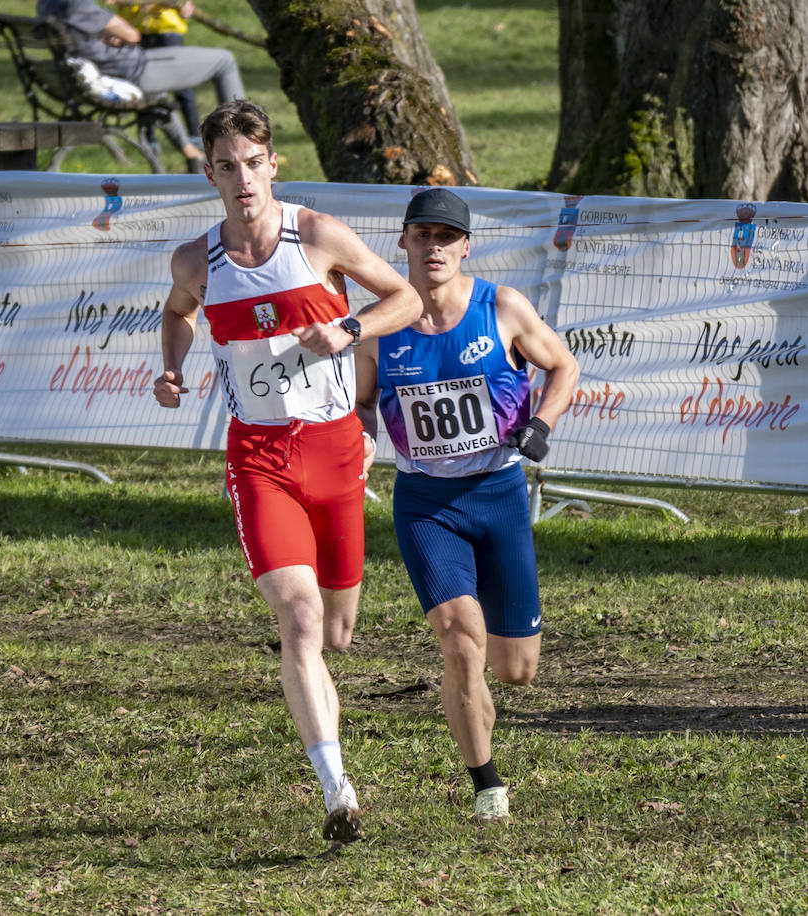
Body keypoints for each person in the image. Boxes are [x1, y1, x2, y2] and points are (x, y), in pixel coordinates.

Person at [154, 100, 421, 844]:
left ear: (273, 164)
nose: (242, 179)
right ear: (209, 174)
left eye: (253, 163)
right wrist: (171, 369)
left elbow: (404, 297)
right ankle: (338, 792)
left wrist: (347, 328)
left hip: (335, 452)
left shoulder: (317, 236)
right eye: (226, 167)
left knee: (336, 632)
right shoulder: (195, 262)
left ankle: (331, 745)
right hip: (260, 457)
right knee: (298, 621)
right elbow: (177, 314)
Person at [353, 188, 579, 824]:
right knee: (459, 640)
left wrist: (542, 423)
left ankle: (494, 716)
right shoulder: (379, 326)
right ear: (403, 243)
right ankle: (487, 786)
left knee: (516, 671)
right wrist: (363, 438)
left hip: (499, 493)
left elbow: (563, 366)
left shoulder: (500, 307)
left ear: (465, 247)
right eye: (422, 235)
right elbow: (365, 402)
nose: (433, 247)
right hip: (426, 502)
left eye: (445, 237)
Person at [37, 0, 244, 171]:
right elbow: (131, 34)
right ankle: (243, 143)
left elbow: (85, 35)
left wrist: (102, 36)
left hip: (98, 72)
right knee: (225, 61)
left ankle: (190, 150)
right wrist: (112, 31)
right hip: (131, 71)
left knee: (160, 95)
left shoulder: (46, 4)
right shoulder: (76, 4)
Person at [110, 2, 202, 142]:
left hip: (168, 31)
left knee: (182, 85)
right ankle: (149, 139)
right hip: (136, 32)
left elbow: (185, 7)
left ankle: (195, 137)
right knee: (142, 87)